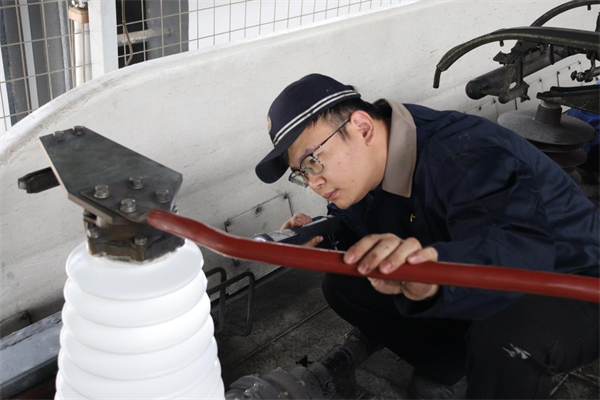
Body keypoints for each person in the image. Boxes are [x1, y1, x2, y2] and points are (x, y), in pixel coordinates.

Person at [254, 73, 600, 400]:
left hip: (571, 277)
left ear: (362, 127)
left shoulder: (462, 154)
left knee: (506, 339)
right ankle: (456, 370)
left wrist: (430, 275)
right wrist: (321, 233)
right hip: (479, 267)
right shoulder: (377, 153)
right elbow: (360, 218)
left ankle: (487, 366)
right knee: (344, 285)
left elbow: (515, 251)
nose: (313, 182)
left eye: (313, 161)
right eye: (301, 174)